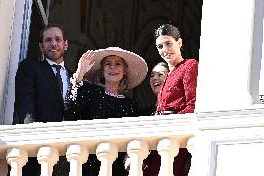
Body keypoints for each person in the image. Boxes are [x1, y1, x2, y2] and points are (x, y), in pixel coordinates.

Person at [64, 47, 148, 176]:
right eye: (108, 64)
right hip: (88, 163)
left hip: (117, 167)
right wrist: (79, 74)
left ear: (125, 71)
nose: (112, 68)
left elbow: (134, 138)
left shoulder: (131, 105)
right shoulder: (90, 93)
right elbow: (70, 110)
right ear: (102, 71)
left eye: (118, 64)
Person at [12, 23, 72, 176]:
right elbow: (25, 103)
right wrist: (32, 135)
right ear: (41, 46)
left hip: (69, 156)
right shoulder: (31, 68)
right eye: (48, 40)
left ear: (65, 44)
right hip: (38, 151)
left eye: (58, 39)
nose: (53, 43)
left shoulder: (76, 79)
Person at [153, 23, 198, 176]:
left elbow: (193, 105)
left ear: (179, 43)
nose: (164, 50)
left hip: (176, 135)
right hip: (160, 136)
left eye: (168, 43)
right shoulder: (168, 75)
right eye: (160, 46)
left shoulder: (190, 65)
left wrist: (170, 122)